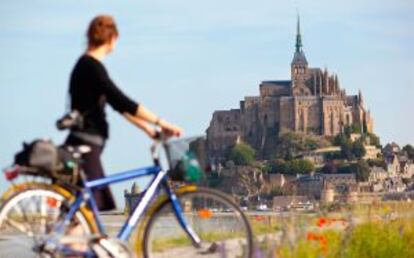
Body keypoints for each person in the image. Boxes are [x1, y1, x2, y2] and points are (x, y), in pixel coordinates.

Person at [65, 15, 182, 211]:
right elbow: (122, 101)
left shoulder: (86, 66)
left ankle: (78, 241)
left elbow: (118, 107)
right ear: (111, 39)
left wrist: (147, 129)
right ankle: (70, 242)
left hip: (86, 142)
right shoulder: (91, 66)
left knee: (85, 211)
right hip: (86, 144)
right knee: (87, 210)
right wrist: (161, 122)